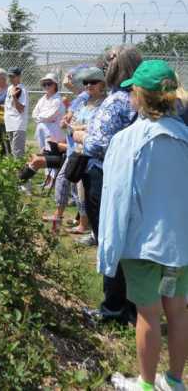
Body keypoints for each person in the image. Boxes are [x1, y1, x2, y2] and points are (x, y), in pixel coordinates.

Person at [97, 61, 188, 391]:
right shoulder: (185, 138)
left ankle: (147, 384)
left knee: (148, 314)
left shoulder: (127, 140)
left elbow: (116, 197)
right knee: (178, 311)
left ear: (138, 94)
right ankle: (175, 381)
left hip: (142, 244)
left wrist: (109, 248)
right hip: (180, 244)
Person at [79, 45, 143, 325]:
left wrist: (83, 138)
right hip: (124, 176)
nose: (105, 65)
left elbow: (98, 142)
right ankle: (129, 306)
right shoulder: (135, 98)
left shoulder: (118, 99)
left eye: (110, 61)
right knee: (127, 240)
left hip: (105, 174)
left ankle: (113, 310)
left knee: (111, 238)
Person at [43, 67, 106, 233]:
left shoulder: (103, 104)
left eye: (93, 82)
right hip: (75, 150)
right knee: (72, 185)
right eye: (86, 82)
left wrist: (75, 127)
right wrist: (68, 123)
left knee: (81, 188)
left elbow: (95, 127)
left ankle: (85, 225)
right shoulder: (85, 101)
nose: (89, 85)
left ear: (102, 84)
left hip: (88, 154)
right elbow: (75, 118)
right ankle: (76, 221)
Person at [32, 72, 65, 188]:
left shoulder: (57, 100)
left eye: (49, 84)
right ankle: (47, 180)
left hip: (53, 131)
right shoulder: (43, 99)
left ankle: (52, 181)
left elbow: (50, 115)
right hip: (42, 130)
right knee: (44, 153)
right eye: (44, 84)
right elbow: (34, 113)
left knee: (51, 154)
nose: (46, 86)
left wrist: (42, 118)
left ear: (55, 85)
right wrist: (42, 118)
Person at [4, 67, 29, 158]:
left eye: (13, 76)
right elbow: (8, 106)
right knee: (12, 150)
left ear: (19, 76)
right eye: (9, 76)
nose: (10, 78)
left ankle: (20, 171)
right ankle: (15, 171)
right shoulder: (10, 88)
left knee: (18, 152)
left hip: (18, 124)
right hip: (10, 123)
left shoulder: (22, 89)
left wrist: (14, 97)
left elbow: (21, 109)